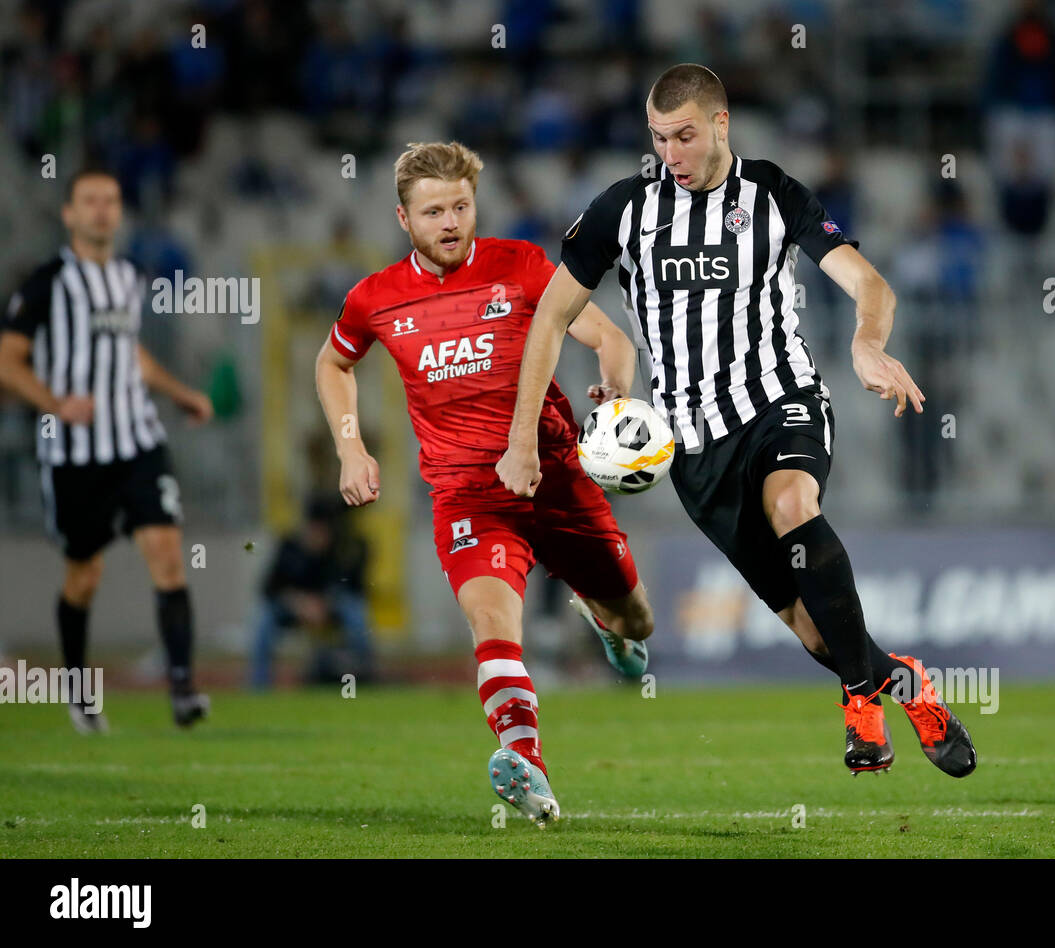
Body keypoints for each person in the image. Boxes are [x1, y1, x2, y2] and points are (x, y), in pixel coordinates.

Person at [497, 64, 977, 779]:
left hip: (781, 402)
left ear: (722, 124)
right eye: (660, 139)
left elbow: (868, 283)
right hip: (695, 452)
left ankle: (860, 703)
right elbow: (551, 320)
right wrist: (522, 437)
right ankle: (903, 685)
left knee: (793, 503)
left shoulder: (775, 195)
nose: (672, 155)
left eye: (685, 136)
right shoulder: (622, 211)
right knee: (816, 631)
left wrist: (867, 340)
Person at [315, 141, 654, 826]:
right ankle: (525, 761)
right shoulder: (375, 298)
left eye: (460, 207)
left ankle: (603, 618)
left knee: (636, 621)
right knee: (494, 625)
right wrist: (350, 449)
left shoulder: (522, 267)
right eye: (433, 210)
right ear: (404, 219)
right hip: (467, 496)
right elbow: (332, 363)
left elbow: (612, 339)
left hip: (556, 481)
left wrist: (615, 404)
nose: (449, 222)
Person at [0, 169, 211, 732]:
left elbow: (130, 355)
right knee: (84, 576)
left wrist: (180, 392)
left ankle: (184, 690)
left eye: (110, 201)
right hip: (73, 456)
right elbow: (7, 360)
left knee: (167, 554)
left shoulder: (127, 277)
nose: (101, 210)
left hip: (137, 442)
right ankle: (79, 692)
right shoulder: (46, 282)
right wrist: (53, 403)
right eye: (89, 201)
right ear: (68, 214)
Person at [249, 495, 373, 689]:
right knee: (263, 620)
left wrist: (326, 602)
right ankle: (259, 686)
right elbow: (269, 588)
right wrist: (299, 602)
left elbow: (354, 586)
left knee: (356, 613)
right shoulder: (289, 546)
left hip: (330, 607)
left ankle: (367, 677)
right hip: (293, 608)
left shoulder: (342, 549)